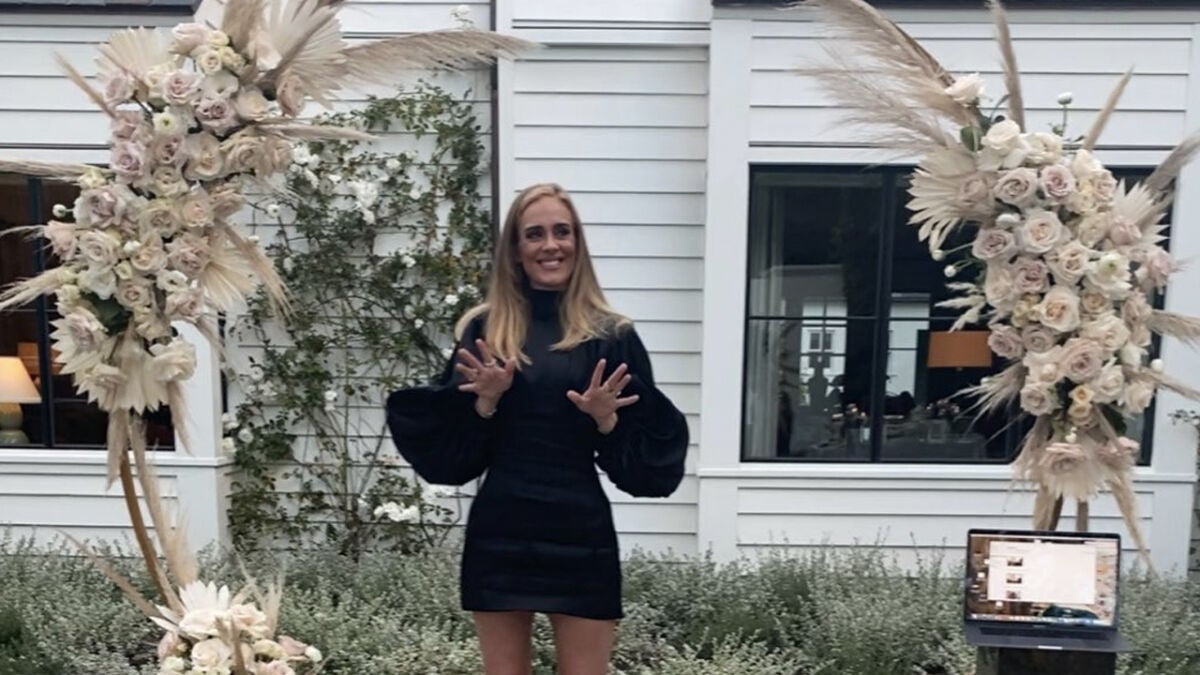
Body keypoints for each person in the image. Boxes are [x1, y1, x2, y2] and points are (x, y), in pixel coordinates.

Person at [385, 182, 689, 675]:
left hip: (580, 530)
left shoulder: (613, 335)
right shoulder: (485, 330)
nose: (551, 244)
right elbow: (452, 460)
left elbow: (648, 471)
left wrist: (606, 420)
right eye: (535, 234)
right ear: (516, 250)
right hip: (502, 528)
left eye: (562, 232)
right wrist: (486, 401)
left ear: (577, 242)